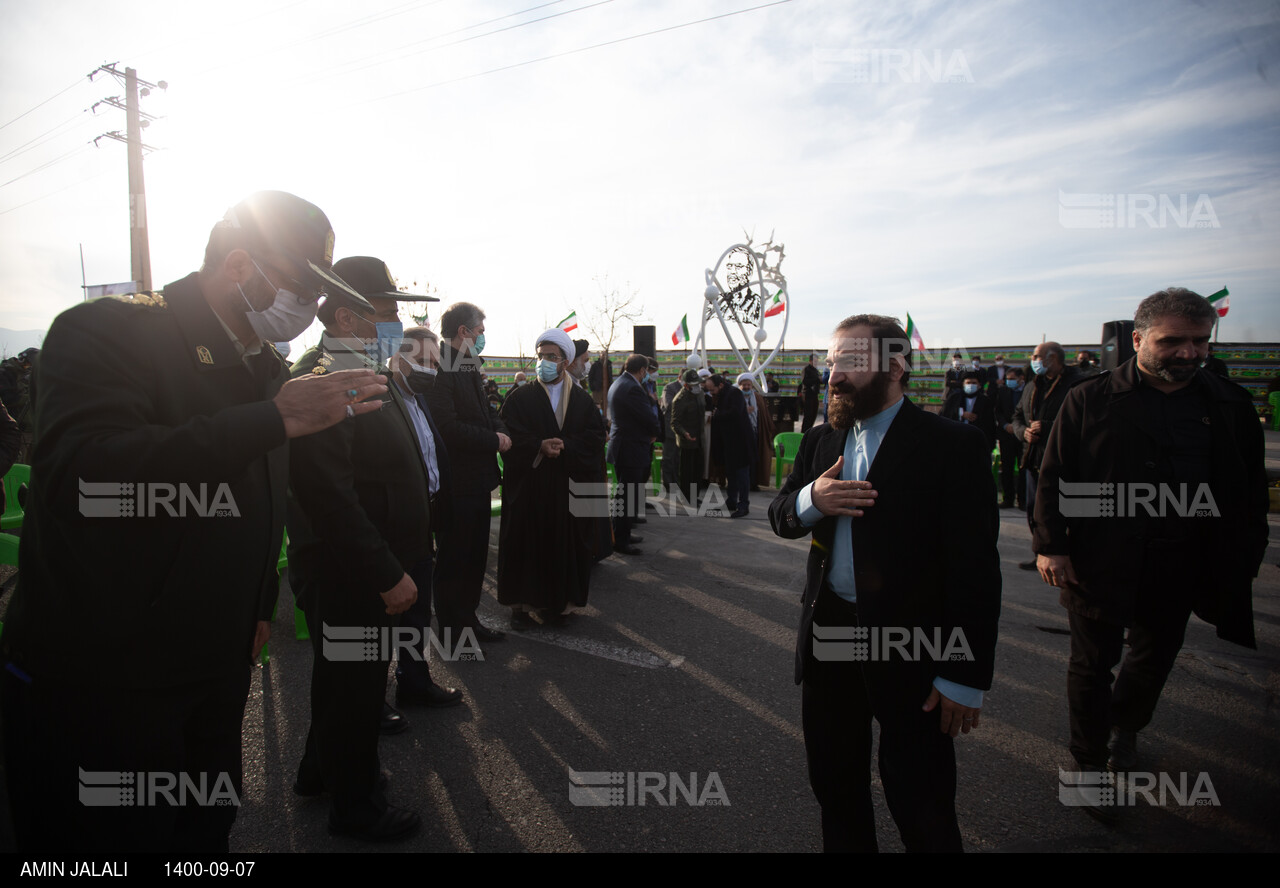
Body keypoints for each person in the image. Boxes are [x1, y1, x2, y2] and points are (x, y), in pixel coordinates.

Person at [0, 191, 385, 853]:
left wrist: (260, 602)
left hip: (215, 661)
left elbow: (258, 498)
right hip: (109, 674)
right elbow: (84, 475)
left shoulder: (260, 364)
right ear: (239, 264)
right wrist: (274, 418)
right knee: (110, 841)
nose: (308, 310)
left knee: (203, 829)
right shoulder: (108, 330)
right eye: (299, 287)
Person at [769, 313, 1000, 853]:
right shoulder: (823, 440)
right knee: (836, 787)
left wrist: (965, 676)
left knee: (922, 802)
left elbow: (975, 572)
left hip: (913, 648)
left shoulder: (953, 445)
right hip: (829, 641)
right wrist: (811, 502)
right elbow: (781, 513)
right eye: (831, 363)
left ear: (896, 365)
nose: (833, 376)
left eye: (850, 362)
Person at [1033, 288, 1267, 787]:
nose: (1189, 352)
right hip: (1099, 561)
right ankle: (1090, 759)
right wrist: (1051, 546)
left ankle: (1126, 727)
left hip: (1184, 562)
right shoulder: (1088, 399)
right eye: (1173, 341)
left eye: (1201, 341)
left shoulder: (1228, 404)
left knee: (1153, 658)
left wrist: (1247, 554)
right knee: (1093, 665)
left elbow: (1249, 491)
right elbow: (1054, 477)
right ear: (1138, 339)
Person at [287, 255, 439, 842]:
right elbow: (328, 495)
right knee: (354, 689)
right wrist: (384, 571)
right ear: (349, 316)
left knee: (343, 681)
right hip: (352, 570)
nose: (396, 324)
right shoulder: (327, 374)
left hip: (373, 562)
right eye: (387, 312)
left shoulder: (367, 365)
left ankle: (319, 772)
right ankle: (357, 806)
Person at [497, 328, 606, 623]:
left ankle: (558, 605)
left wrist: (565, 446)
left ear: (565, 361)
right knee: (525, 546)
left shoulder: (582, 402)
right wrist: (538, 446)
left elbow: (595, 439)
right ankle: (521, 607)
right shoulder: (520, 397)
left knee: (564, 549)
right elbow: (509, 435)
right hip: (531, 488)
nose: (544, 361)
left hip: (567, 489)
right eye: (541, 356)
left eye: (551, 356)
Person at [424, 302, 511, 645]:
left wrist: (502, 431)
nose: (482, 338)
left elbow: (487, 411)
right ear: (463, 332)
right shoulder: (441, 365)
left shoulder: (468, 365)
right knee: (454, 559)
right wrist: (492, 439)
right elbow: (445, 425)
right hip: (456, 482)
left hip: (478, 481)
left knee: (474, 557)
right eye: (480, 332)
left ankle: (469, 620)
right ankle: (452, 632)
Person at [387, 327, 464, 713]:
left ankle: (414, 682)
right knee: (385, 617)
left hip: (424, 520)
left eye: (435, 362)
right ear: (396, 358)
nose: (430, 370)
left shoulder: (419, 399)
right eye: (422, 361)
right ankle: (369, 700)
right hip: (393, 527)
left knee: (418, 611)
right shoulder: (382, 400)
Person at [1010, 341, 1079, 569]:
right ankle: (1041, 550)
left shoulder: (1077, 385)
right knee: (1035, 508)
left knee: (1064, 510)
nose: (1034, 360)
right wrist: (1024, 433)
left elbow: (1082, 422)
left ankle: (1068, 553)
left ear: (1053, 359)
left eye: (1038, 356)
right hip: (1033, 458)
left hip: (1063, 460)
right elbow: (1018, 417)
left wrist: (1048, 427)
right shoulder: (1032, 386)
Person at [606, 353, 660, 555]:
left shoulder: (619, 382)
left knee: (625, 494)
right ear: (643, 370)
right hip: (630, 447)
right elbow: (646, 416)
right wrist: (655, 432)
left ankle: (623, 533)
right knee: (625, 496)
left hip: (624, 445)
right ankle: (620, 539)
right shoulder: (632, 388)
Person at [706, 374, 754, 518]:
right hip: (728, 443)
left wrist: (718, 414)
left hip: (740, 443)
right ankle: (731, 501)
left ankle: (743, 504)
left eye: (712, 390)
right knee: (731, 474)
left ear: (720, 385)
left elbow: (734, 413)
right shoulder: (722, 394)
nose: (711, 393)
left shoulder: (734, 393)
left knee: (742, 475)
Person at [670, 369, 706, 504]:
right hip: (687, 441)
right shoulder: (679, 399)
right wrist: (684, 433)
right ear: (686, 385)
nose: (697, 387)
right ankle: (686, 497)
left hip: (699, 439)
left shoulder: (700, 393)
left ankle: (694, 496)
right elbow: (674, 422)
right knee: (687, 472)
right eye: (694, 384)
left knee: (697, 470)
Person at [737, 373, 776, 491]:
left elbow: (764, 416)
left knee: (754, 459)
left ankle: (753, 483)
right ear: (740, 385)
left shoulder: (758, 397)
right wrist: (743, 411)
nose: (747, 387)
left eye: (749, 384)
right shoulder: (736, 397)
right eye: (744, 385)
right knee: (742, 461)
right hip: (740, 435)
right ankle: (742, 484)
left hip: (754, 432)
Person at [941, 370, 996, 452]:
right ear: (963, 384)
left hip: (976, 441)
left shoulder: (985, 401)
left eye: (974, 383)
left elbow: (990, 423)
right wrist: (960, 413)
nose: (971, 385)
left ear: (979, 385)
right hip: (956, 439)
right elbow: (944, 415)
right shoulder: (954, 398)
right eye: (968, 383)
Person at [994, 368, 1025, 508]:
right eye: (1008, 378)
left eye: (1012, 378)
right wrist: (1005, 425)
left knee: (1023, 468)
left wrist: (1020, 427)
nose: (1009, 381)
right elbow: (997, 411)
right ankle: (1008, 499)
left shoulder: (1030, 390)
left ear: (1021, 378)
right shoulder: (1003, 391)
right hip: (1006, 434)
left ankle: (1023, 499)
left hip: (1023, 435)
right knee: (1007, 468)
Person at [800, 354, 822, 432]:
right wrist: (816, 379)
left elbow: (819, 380)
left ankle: (809, 431)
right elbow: (805, 381)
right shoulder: (806, 369)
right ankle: (804, 433)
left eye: (817, 361)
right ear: (810, 361)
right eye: (814, 361)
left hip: (814, 394)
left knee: (813, 415)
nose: (816, 363)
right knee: (808, 416)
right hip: (808, 395)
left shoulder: (816, 370)